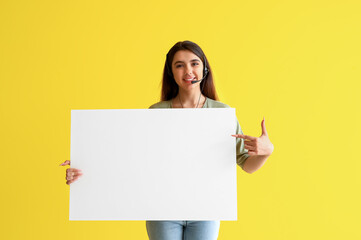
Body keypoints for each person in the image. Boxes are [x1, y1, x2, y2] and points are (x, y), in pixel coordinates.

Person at [60, 40, 274, 240]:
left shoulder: (221, 113)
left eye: (194, 63)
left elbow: (246, 164)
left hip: (206, 209)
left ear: (204, 69)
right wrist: (85, 163)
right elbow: (129, 158)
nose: (188, 71)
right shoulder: (156, 112)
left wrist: (266, 151)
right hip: (162, 209)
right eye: (179, 65)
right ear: (171, 73)